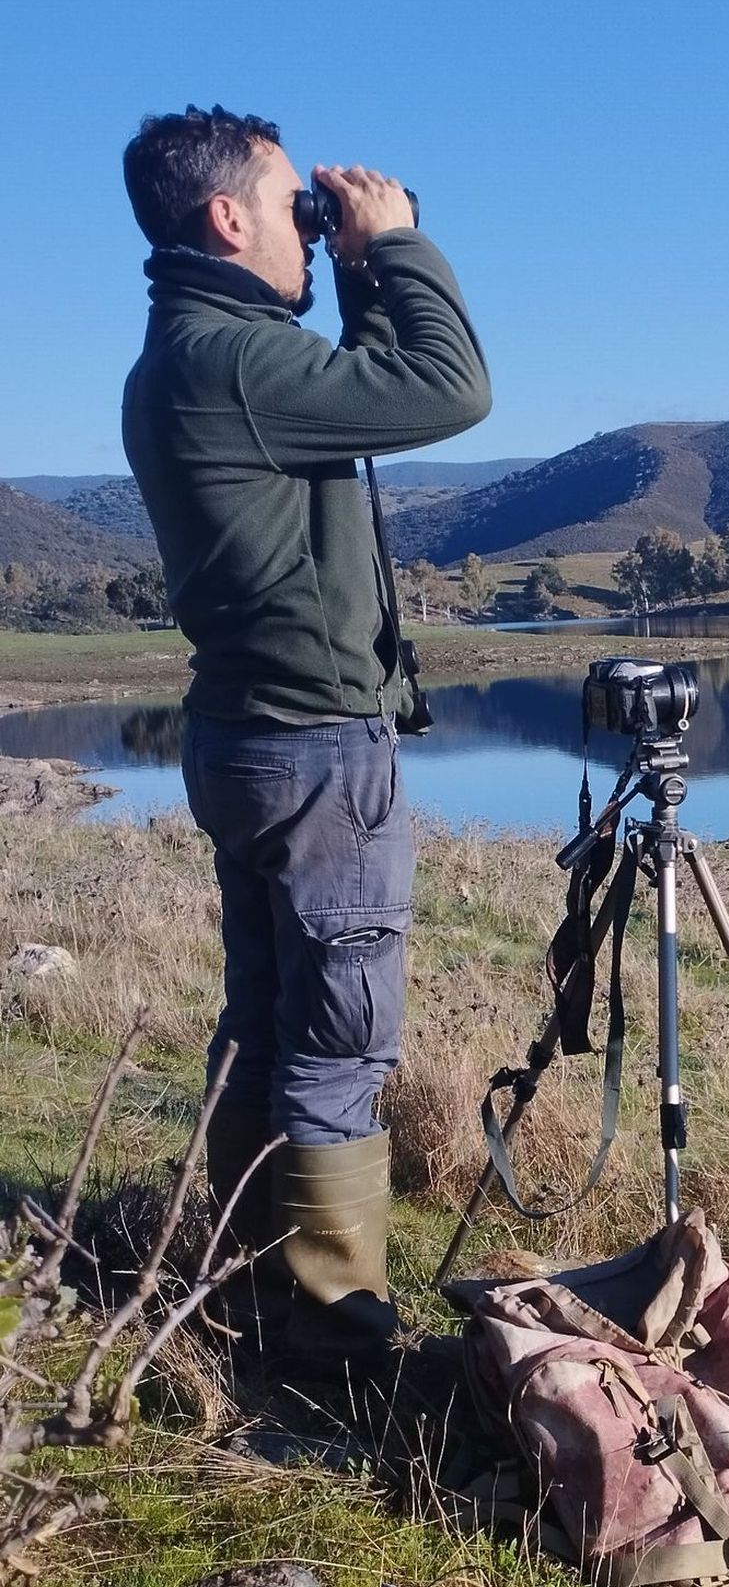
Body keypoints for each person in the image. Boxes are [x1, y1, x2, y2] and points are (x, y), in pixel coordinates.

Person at [121, 103, 492, 1366]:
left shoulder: (195, 349)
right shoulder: (232, 360)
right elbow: (449, 389)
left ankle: (242, 1281)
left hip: (249, 737)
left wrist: (345, 276)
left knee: (268, 1022)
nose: (310, 222)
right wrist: (394, 252)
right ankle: (336, 1325)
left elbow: (358, 398)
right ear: (228, 217)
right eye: (292, 206)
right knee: (337, 1037)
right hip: (316, 751)